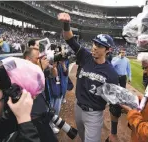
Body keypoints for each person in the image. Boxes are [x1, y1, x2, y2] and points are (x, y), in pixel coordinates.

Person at [58, 13, 119, 142]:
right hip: (78, 107)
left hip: (94, 114)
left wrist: (113, 132)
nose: (94, 47)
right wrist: (66, 23)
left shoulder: (111, 74)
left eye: (99, 46)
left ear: (108, 50)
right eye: (94, 43)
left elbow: (114, 104)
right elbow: (70, 39)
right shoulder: (85, 56)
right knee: (82, 137)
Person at [23, 47, 58, 142]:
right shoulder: (22, 72)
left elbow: (54, 75)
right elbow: (31, 88)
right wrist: (41, 68)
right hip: (31, 119)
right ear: (27, 59)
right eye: (38, 58)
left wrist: (53, 66)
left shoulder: (38, 70)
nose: (41, 60)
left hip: (41, 115)